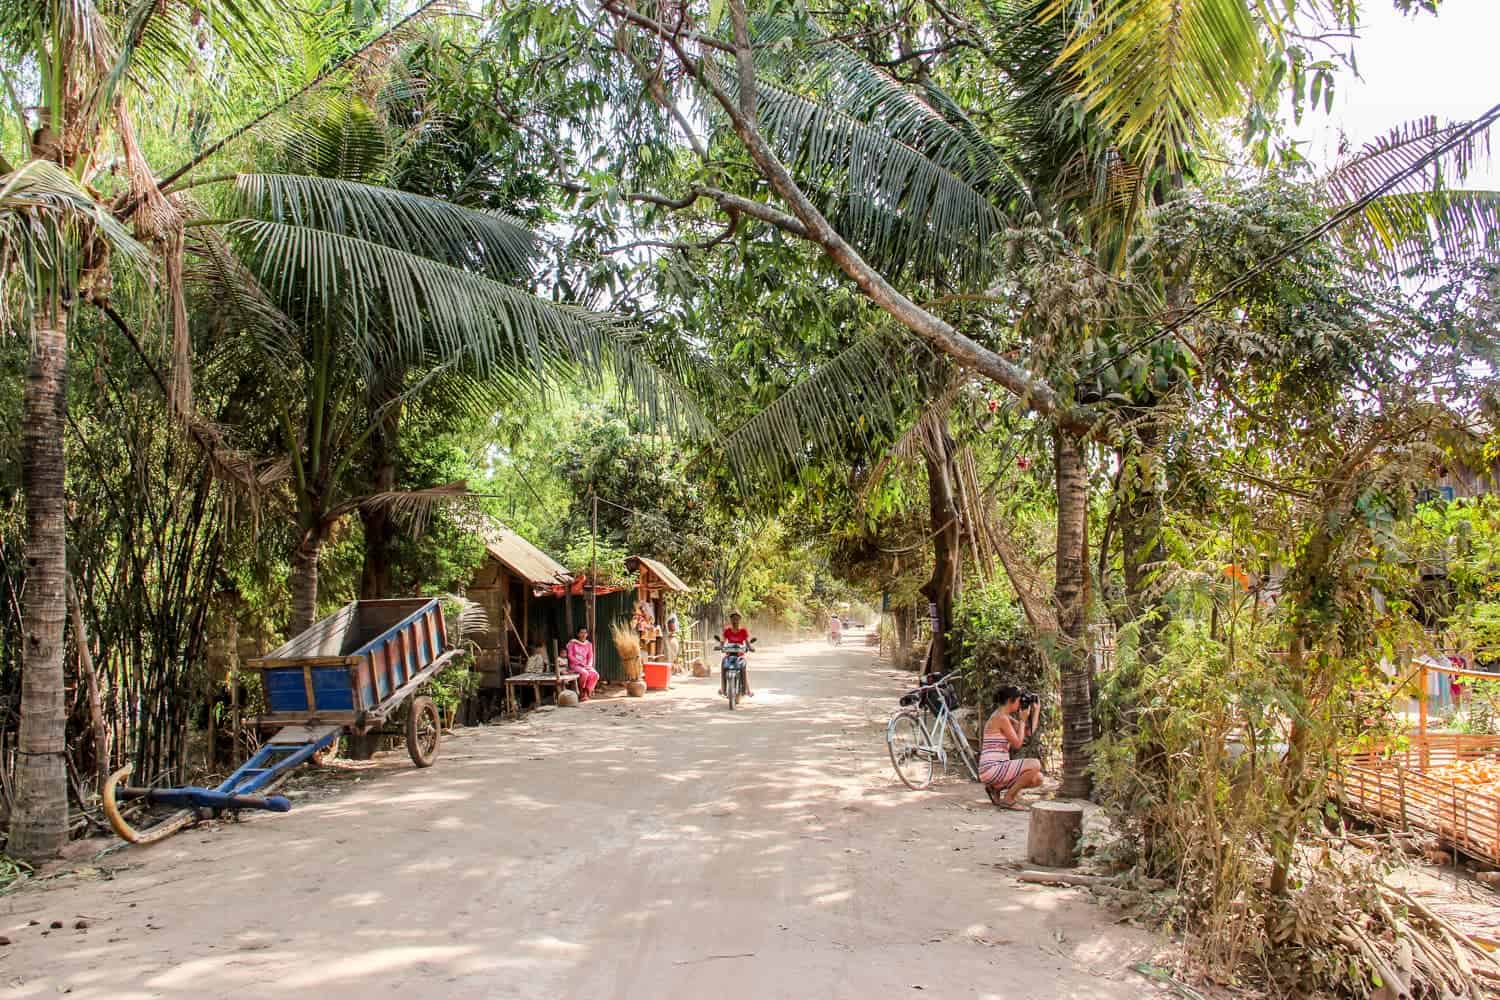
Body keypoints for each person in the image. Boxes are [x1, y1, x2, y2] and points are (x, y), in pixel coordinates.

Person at [979, 686, 1042, 809]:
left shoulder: (1005, 716)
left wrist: (1036, 712)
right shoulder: (1000, 718)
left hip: (998, 767)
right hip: (991, 768)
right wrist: (1023, 721)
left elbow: (1028, 733)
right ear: (1010, 700)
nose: (1020, 704)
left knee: (1038, 778)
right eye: (1019, 701)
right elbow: (1018, 744)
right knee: (1035, 764)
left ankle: (995, 787)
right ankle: (1008, 798)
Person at [717, 611, 754, 698]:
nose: (735, 621)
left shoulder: (743, 631)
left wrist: (750, 648)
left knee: (743, 668)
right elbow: (722, 641)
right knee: (723, 664)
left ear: (739, 620)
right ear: (730, 620)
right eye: (733, 619)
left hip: (739, 656)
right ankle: (723, 688)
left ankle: (747, 690)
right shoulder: (727, 631)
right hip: (729, 655)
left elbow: (747, 642)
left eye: (737, 619)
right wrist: (719, 647)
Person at [565, 626, 599, 701]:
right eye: (581, 632)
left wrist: (589, 665)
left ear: (587, 634)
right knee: (585, 673)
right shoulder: (572, 643)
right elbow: (570, 656)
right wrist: (580, 663)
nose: (583, 634)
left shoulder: (588, 644)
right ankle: (581, 691)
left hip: (585, 665)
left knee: (595, 675)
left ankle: (587, 691)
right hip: (575, 665)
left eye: (585, 633)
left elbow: (590, 656)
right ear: (578, 634)